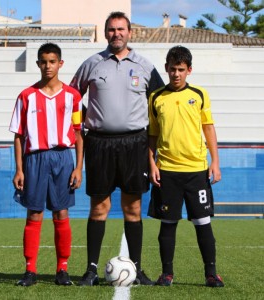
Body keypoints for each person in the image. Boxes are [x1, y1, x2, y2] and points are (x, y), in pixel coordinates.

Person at [70, 11, 164, 286]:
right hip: (98, 143)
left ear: (130, 32)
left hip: (135, 144)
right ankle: (90, 270)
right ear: (105, 32)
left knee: (132, 208)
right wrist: (86, 119)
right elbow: (72, 98)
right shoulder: (92, 64)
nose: (116, 34)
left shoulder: (145, 66)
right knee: (99, 207)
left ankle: (136, 268)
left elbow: (159, 105)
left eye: (121, 29)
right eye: (111, 30)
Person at [148, 45, 224, 287]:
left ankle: (211, 274)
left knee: (203, 223)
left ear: (189, 70)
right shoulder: (156, 97)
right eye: (172, 69)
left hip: (197, 171)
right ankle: (167, 274)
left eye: (181, 69)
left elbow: (208, 128)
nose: (176, 74)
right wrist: (152, 163)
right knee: (168, 224)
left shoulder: (200, 94)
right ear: (166, 69)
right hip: (168, 170)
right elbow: (152, 135)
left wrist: (216, 163)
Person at [9, 43, 83, 287]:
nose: (48, 66)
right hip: (35, 159)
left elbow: (79, 132)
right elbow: (18, 135)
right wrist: (19, 169)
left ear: (60, 64)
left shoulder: (73, 96)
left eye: (52, 61)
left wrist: (78, 167)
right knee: (35, 213)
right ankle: (30, 270)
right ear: (38, 64)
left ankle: (62, 269)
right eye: (44, 61)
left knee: (61, 212)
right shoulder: (26, 96)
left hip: (63, 158)